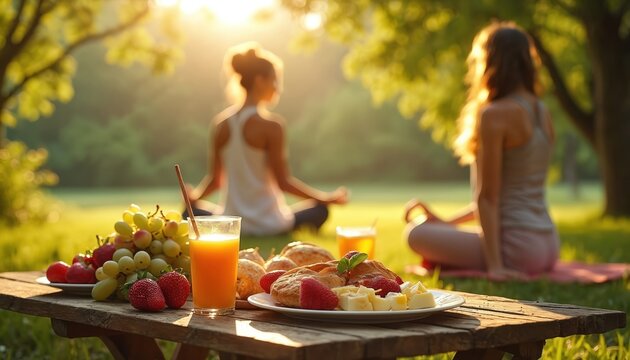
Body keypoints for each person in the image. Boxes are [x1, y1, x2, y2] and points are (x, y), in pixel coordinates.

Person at [403, 22, 559, 279]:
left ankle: (494, 260)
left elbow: (488, 198)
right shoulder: (542, 112)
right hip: (548, 244)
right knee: (433, 231)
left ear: (489, 62)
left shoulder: (494, 114)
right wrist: (446, 222)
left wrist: (496, 267)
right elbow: (506, 195)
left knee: (415, 233)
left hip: (516, 250)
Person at [185, 42, 348, 236]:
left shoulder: (221, 124)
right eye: (275, 80)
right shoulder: (272, 126)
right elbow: (283, 182)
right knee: (321, 209)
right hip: (271, 224)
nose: (278, 88)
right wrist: (326, 198)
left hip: (232, 225)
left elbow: (215, 181)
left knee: (189, 212)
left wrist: (193, 198)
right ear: (260, 80)